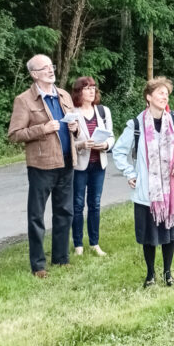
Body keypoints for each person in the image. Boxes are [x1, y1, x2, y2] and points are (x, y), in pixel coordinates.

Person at [112, 76, 174, 287]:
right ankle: (150, 274)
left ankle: (168, 272)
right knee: (149, 236)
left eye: (166, 93)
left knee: (169, 233)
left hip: (171, 190)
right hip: (147, 192)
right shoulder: (136, 125)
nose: (164, 97)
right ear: (149, 97)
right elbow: (119, 151)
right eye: (160, 93)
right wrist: (130, 173)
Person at [8, 55, 79, 277]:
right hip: (41, 166)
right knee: (36, 216)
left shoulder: (64, 95)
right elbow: (14, 135)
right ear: (34, 74)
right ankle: (38, 265)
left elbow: (72, 126)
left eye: (52, 66)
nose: (51, 70)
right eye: (45, 68)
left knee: (65, 212)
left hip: (67, 161)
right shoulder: (24, 100)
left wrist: (75, 127)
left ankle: (61, 258)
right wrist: (42, 129)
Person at [71, 76, 115, 257]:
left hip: (99, 164)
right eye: (87, 88)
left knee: (95, 204)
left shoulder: (103, 111)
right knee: (77, 205)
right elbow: (66, 144)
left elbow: (111, 137)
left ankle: (94, 243)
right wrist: (82, 145)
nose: (91, 91)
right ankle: (78, 244)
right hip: (80, 165)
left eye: (93, 88)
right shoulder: (72, 112)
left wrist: (104, 145)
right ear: (78, 91)